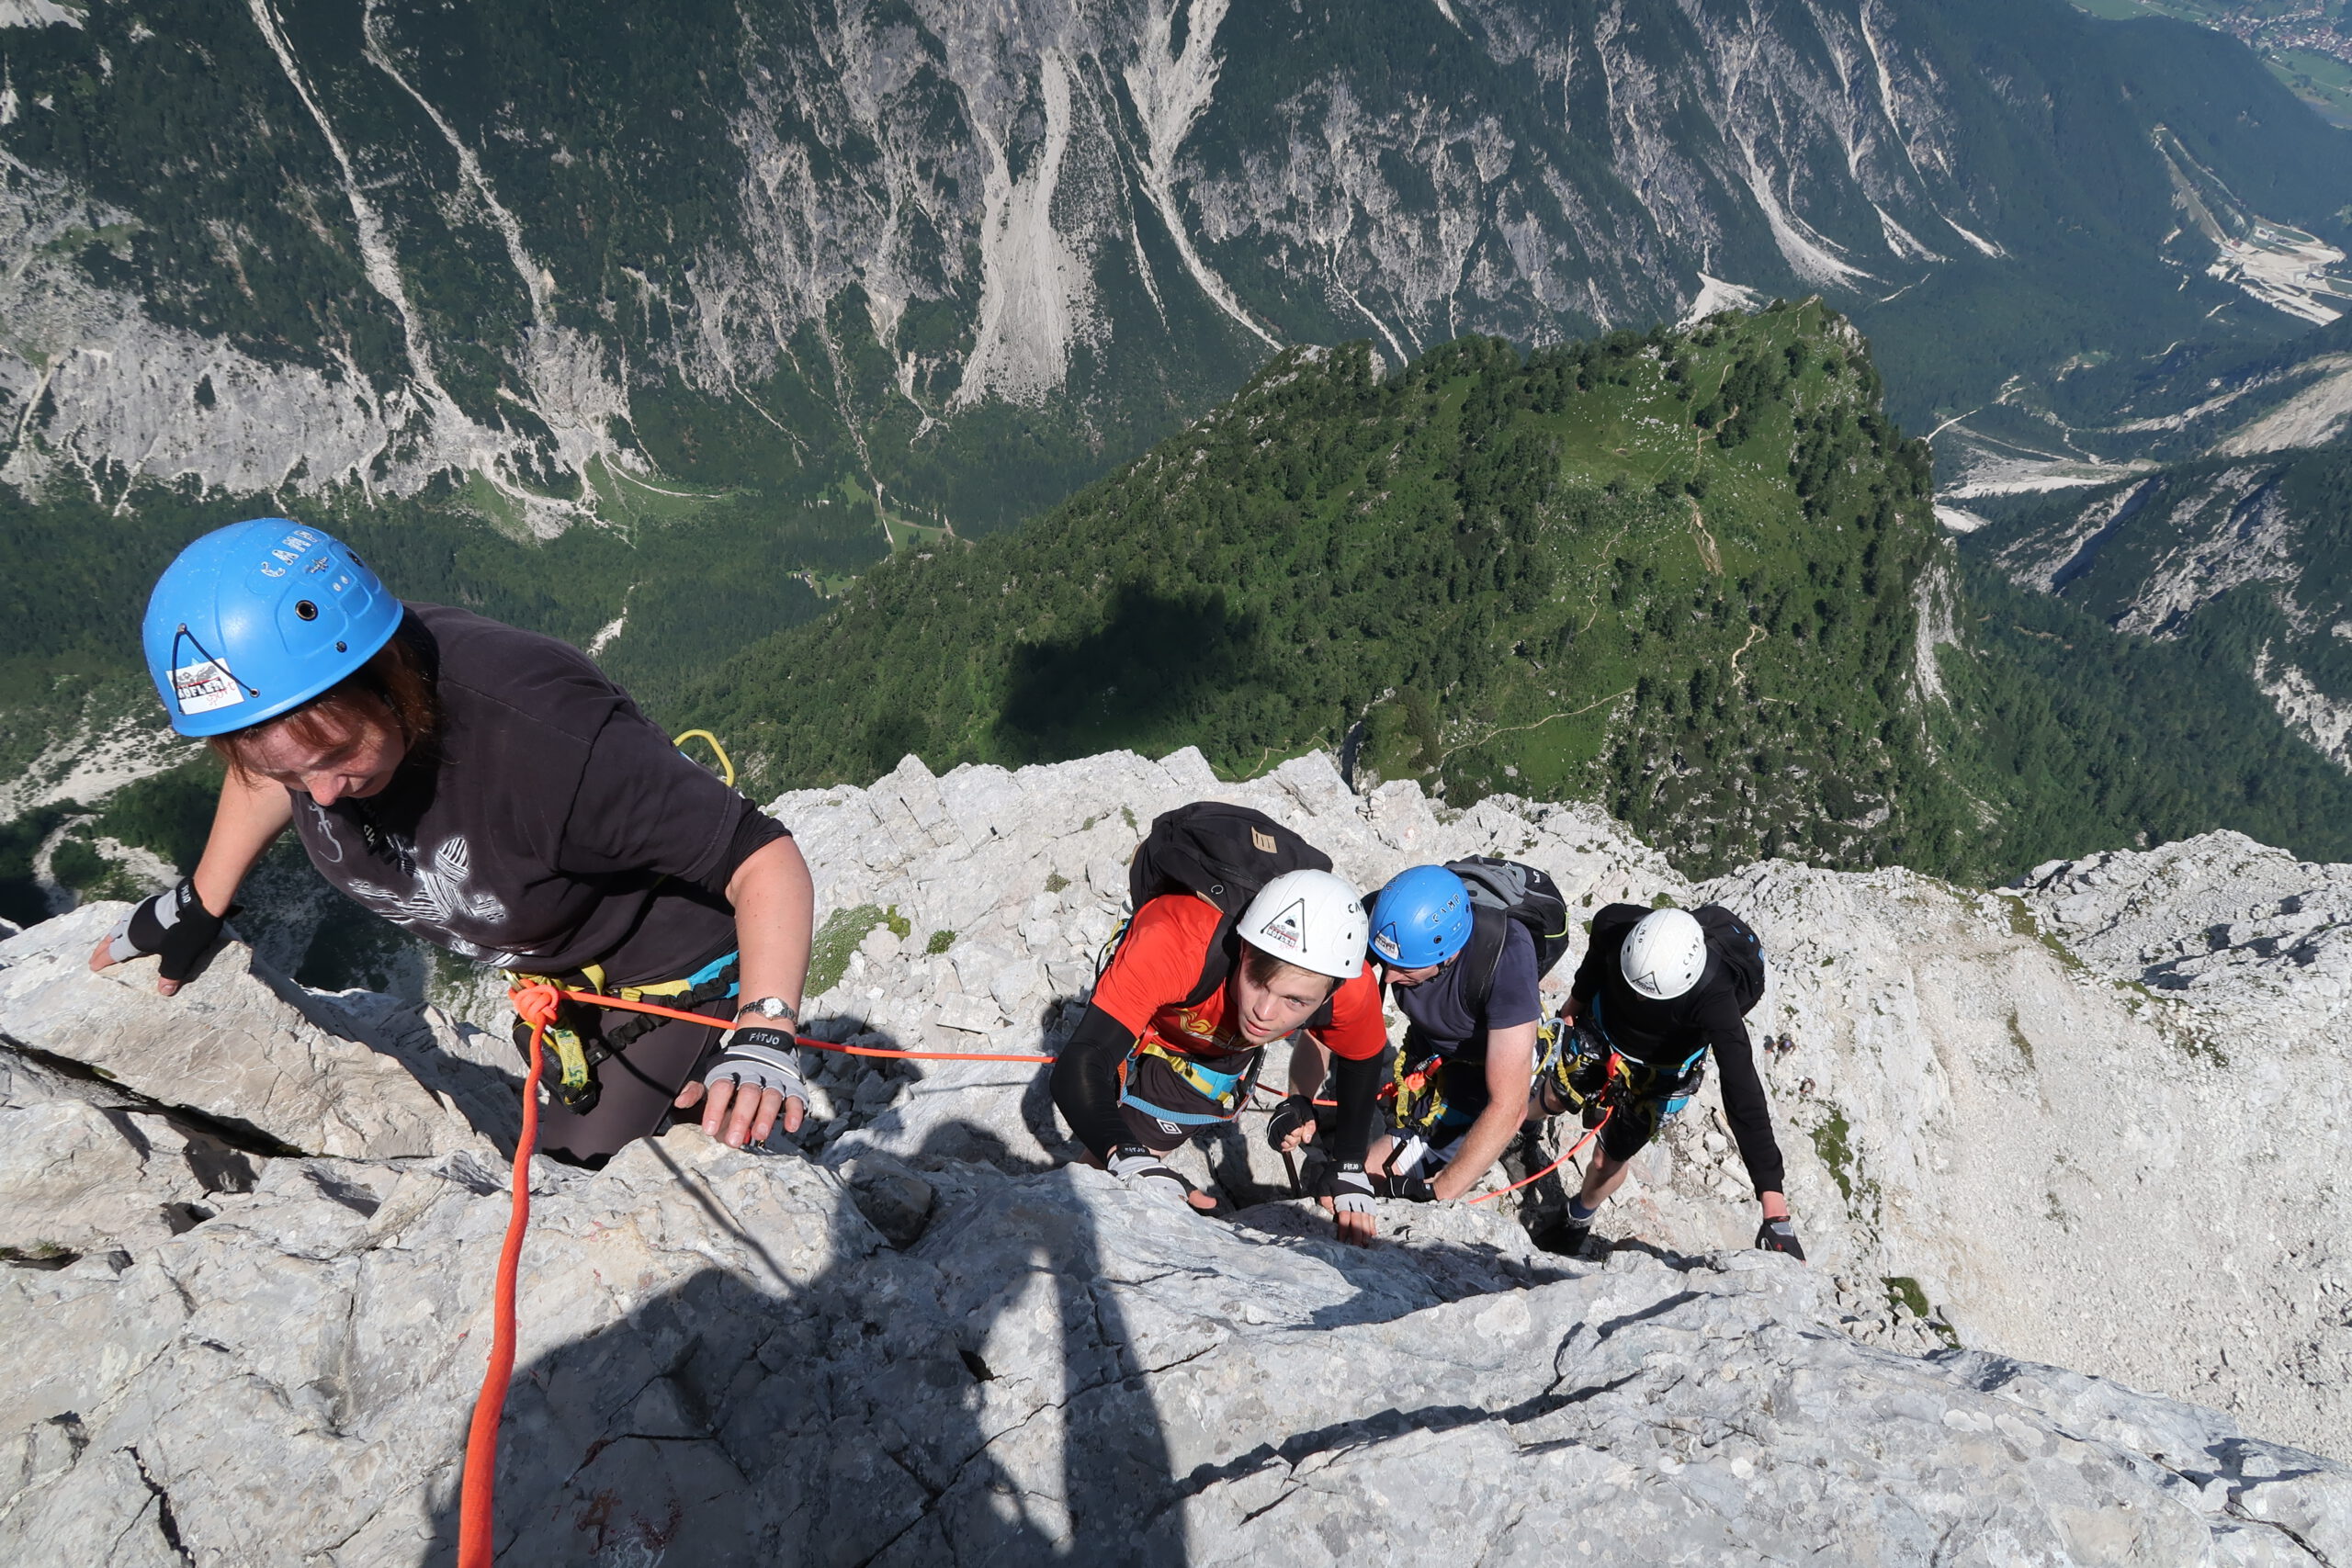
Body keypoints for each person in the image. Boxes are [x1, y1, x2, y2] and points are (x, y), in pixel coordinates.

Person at [89, 518, 817, 1164]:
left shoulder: (547, 738)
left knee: (583, 1174)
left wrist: (766, 1030)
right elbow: (270, 771)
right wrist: (200, 898)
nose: (321, 794)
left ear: (386, 679)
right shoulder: (306, 742)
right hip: (561, 989)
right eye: (287, 770)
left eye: (337, 753)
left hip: (675, 981)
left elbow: (761, 855)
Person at [1051, 868, 1393, 1243]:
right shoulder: (1175, 941)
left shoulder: (1351, 990)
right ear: (1244, 950)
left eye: (1295, 1000)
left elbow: (1363, 1058)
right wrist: (1128, 1156)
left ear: (1328, 997)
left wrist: (1349, 1167)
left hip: (1216, 1046)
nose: (1264, 1012)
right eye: (1258, 982)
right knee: (1121, 1160)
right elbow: (1081, 1064)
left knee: (1123, 1165)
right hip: (1156, 1005)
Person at [1539, 903, 1803, 1259]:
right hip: (1602, 1029)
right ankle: (1517, 1135)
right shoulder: (1614, 924)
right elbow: (1595, 961)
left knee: (1607, 1160)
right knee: (1554, 1095)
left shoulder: (1716, 998)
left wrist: (1774, 1204)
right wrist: (1574, 1002)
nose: (1638, 998)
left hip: (1661, 1073)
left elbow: (1743, 1091)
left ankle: (1578, 1217)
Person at [1281, 864, 1542, 1205]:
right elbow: (1324, 1024)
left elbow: (1508, 1105)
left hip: (1481, 1070)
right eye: (1384, 962)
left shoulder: (1506, 960)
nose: (1386, 977)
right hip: (1428, 1053)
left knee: (1361, 1191)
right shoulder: (1385, 926)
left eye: (1404, 968)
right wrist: (1299, 1098)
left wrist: (1439, 1191)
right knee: (1341, 1193)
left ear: (1448, 954)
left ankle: (1525, 1133)